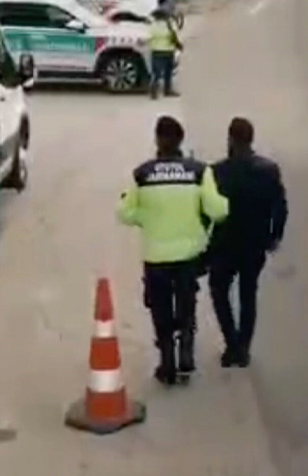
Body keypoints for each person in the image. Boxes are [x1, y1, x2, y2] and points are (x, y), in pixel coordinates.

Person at [118, 116, 228, 385]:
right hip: (189, 256)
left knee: (161, 310)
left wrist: (148, 218)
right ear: (181, 139)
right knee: (187, 306)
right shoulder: (199, 171)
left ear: (157, 139)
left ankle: (167, 363)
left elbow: (125, 213)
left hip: (156, 257)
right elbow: (218, 211)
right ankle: (186, 356)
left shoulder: (142, 174)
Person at [208, 118, 288, 368]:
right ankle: (243, 347)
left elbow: (207, 210)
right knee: (248, 293)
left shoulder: (217, 171)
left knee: (219, 290)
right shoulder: (269, 170)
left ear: (230, 139)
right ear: (251, 139)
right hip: (255, 243)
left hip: (225, 244)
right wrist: (275, 236)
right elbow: (280, 207)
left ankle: (232, 344)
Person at [147, 6, 183, 100]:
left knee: (156, 73)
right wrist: (179, 45)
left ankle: (153, 91)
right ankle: (167, 90)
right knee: (168, 73)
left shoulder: (152, 26)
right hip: (168, 51)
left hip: (156, 52)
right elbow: (174, 36)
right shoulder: (169, 24)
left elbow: (147, 37)